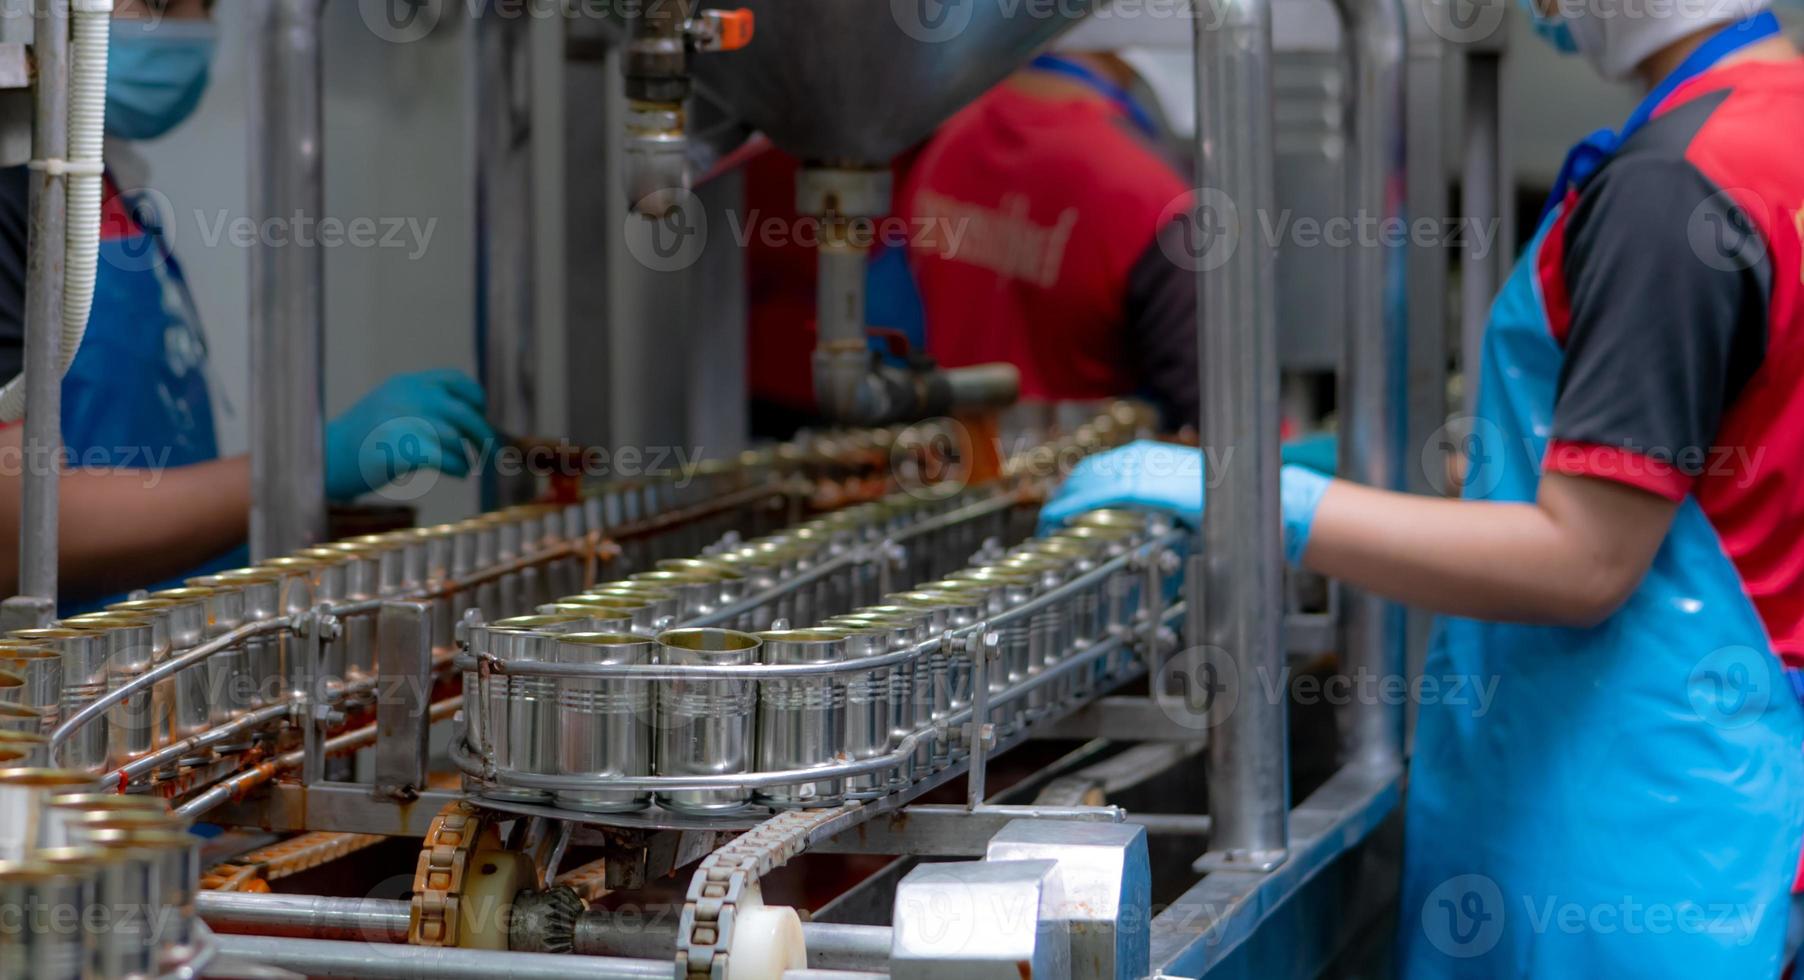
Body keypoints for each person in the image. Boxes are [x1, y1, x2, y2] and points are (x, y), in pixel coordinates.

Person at [1042, 0, 1804, 974]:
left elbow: (1585, 558)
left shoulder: (1671, 185)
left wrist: (1259, 503)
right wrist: (1356, 464)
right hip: (1733, 795)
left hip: (1618, 828)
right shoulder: (1776, 124)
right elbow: (1706, 447)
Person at [0, 0, 490, 607]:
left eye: (201, 6)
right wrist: (301, 469)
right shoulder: (13, 194)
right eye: (154, 3)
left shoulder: (113, 196)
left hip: (170, 661)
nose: (187, 31)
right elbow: (13, 529)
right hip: (68, 683)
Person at [895, 51, 1198, 431]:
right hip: (1088, 482)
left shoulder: (945, 143)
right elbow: (1221, 420)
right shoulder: (1147, 193)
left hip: (954, 468)